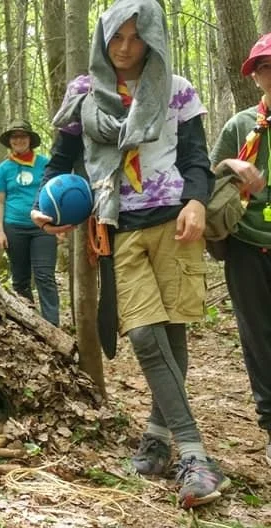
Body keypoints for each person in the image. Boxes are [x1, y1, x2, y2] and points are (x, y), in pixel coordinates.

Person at [31, 0, 226, 508]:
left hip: (175, 221)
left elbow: (196, 159)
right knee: (142, 333)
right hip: (118, 225)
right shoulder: (83, 92)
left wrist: (197, 201)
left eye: (136, 37)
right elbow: (59, 164)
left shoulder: (177, 90)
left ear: (152, 39)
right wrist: (45, 207)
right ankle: (194, 452)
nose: (124, 47)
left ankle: (160, 440)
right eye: (116, 36)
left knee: (173, 332)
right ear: (103, 39)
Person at [209, 33, 271, 467]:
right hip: (247, 243)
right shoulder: (241, 124)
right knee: (258, 337)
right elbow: (208, 171)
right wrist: (233, 163)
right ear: (255, 76)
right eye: (265, 68)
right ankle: (270, 424)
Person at [0, 119, 59, 326]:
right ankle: (30, 325)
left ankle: (52, 326)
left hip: (43, 227)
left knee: (45, 276)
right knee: (20, 280)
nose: (18, 140)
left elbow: (55, 194)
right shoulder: (3, 169)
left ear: (30, 139)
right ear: (9, 141)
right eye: (14, 137)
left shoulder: (45, 164)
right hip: (14, 227)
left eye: (22, 136)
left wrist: (60, 226)